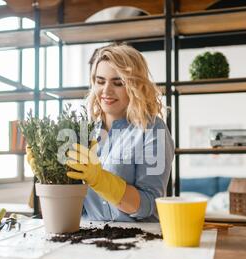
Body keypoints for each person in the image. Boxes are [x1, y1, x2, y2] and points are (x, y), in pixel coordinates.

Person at [28, 43, 174, 222]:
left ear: (135, 85)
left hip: (140, 239)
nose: (106, 90)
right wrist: (46, 174)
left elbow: (148, 205)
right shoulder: (83, 132)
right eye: (100, 81)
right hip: (89, 236)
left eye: (118, 82)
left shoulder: (152, 129)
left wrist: (101, 180)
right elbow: (72, 204)